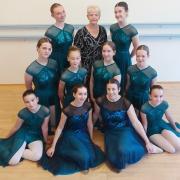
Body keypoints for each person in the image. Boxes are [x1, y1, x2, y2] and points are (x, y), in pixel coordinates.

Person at [97, 79, 162, 171]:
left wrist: (147, 141)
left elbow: (136, 122)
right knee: (113, 157)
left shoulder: (125, 102)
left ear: (119, 89)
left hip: (124, 129)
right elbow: (96, 115)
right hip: (110, 132)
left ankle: (147, 147)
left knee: (123, 150)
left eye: (114, 89)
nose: (111, 92)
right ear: (106, 89)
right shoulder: (100, 100)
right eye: (109, 89)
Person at [39, 85, 104, 175]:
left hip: (83, 133)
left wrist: (91, 139)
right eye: (80, 94)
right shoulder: (67, 110)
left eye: (85, 94)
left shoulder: (88, 106)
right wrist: (53, 146)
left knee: (91, 156)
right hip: (71, 135)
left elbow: (89, 123)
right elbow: (60, 128)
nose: (83, 96)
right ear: (74, 94)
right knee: (84, 157)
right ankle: (65, 152)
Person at [0, 90, 49, 166]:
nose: (31, 104)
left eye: (32, 100)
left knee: (37, 156)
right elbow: (16, 127)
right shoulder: (23, 113)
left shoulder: (45, 111)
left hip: (36, 136)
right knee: (13, 161)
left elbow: (44, 127)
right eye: (27, 102)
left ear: (37, 99)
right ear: (24, 103)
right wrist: (7, 138)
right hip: (23, 134)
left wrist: (46, 141)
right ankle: (15, 150)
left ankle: (17, 150)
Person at [24, 37, 58, 133]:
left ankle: (53, 129)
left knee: (55, 121)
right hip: (41, 97)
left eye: (49, 49)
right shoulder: (31, 69)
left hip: (54, 95)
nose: (47, 51)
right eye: (44, 48)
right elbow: (29, 89)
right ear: (37, 48)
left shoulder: (54, 63)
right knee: (43, 124)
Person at [141, 85, 180, 153]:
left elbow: (169, 117)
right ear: (150, 96)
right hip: (152, 131)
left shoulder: (164, 104)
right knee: (172, 150)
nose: (158, 99)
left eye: (161, 96)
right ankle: (158, 148)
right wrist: (146, 140)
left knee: (178, 146)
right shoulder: (144, 108)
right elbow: (145, 124)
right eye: (155, 96)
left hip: (162, 126)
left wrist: (175, 128)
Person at [110, 1, 139, 94]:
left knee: (124, 81)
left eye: (120, 11)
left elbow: (136, 47)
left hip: (125, 58)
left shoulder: (132, 30)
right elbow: (112, 44)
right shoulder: (113, 27)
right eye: (115, 12)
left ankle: (124, 102)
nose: (117, 14)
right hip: (113, 58)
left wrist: (129, 57)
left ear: (126, 12)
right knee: (113, 80)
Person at [74, 5, 107, 84]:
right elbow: (76, 52)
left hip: (99, 66)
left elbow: (105, 49)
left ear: (99, 16)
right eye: (91, 15)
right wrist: (80, 69)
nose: (94, 17)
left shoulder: (103, 30)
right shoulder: (81, 32)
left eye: (96, 15)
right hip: (85, 67)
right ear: (87, 16)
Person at [90, 41, 121, 124]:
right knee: (96, 113)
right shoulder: (96, 64)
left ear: (114, 52)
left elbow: (115, 91)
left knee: (104, 117)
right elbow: (91, 81)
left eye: (108, 51)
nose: (106, 54)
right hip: (95, 95)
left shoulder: (116, 70)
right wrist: (91, 95)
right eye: (104, 51)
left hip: (107, 98)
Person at [126, 45, 157, 114]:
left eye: (143, 56)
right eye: (138, 56)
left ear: (148, 56)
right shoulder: (130, 69)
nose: (140, 58)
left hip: (143, 99)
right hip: (131, 97)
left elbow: (153, 90)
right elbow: (128, 85)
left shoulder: (152, 72)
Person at [45, 3, 74, 75]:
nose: (62, 15)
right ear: (53, 15)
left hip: (69, 59)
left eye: (63, 11)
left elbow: (72, 45)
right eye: (58, 13)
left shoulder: (70, 28)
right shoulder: (49, 32)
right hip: (56, 61)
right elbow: (46, 51)